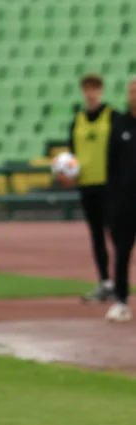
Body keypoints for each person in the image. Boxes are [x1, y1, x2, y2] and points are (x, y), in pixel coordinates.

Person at [67, 73, 116, 304]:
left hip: (111, 185)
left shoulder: (112, 117)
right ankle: (105, 281)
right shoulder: (77, 121)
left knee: (118, 236)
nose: (91, 92)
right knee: (97, 236)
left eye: (94, 88)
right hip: (87, 186)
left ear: (101, 90)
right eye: (87, 88)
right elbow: (70, 156)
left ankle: (121, 281)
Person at [103, 77, 136, 322]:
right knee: (122, 253)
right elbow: (111, 166)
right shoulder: (119, 124)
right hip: (125, 203)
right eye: (132, 91)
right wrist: (112, 203)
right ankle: (121, 301)